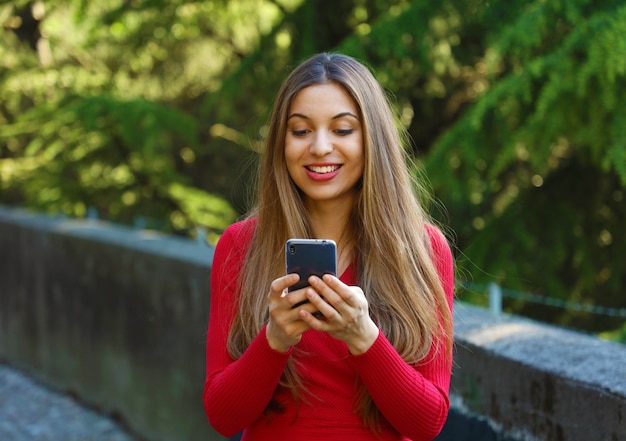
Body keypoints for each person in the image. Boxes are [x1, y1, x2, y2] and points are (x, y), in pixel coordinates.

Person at [203, 52, 454, 441]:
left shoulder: (422, 250)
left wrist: (362, 336)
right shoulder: (240, 246)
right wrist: (274, 341)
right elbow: (222, 417)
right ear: (280, 144)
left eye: (342, 130)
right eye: (301, 131)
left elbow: (427, 423)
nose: (320, 147)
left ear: (372, 140)